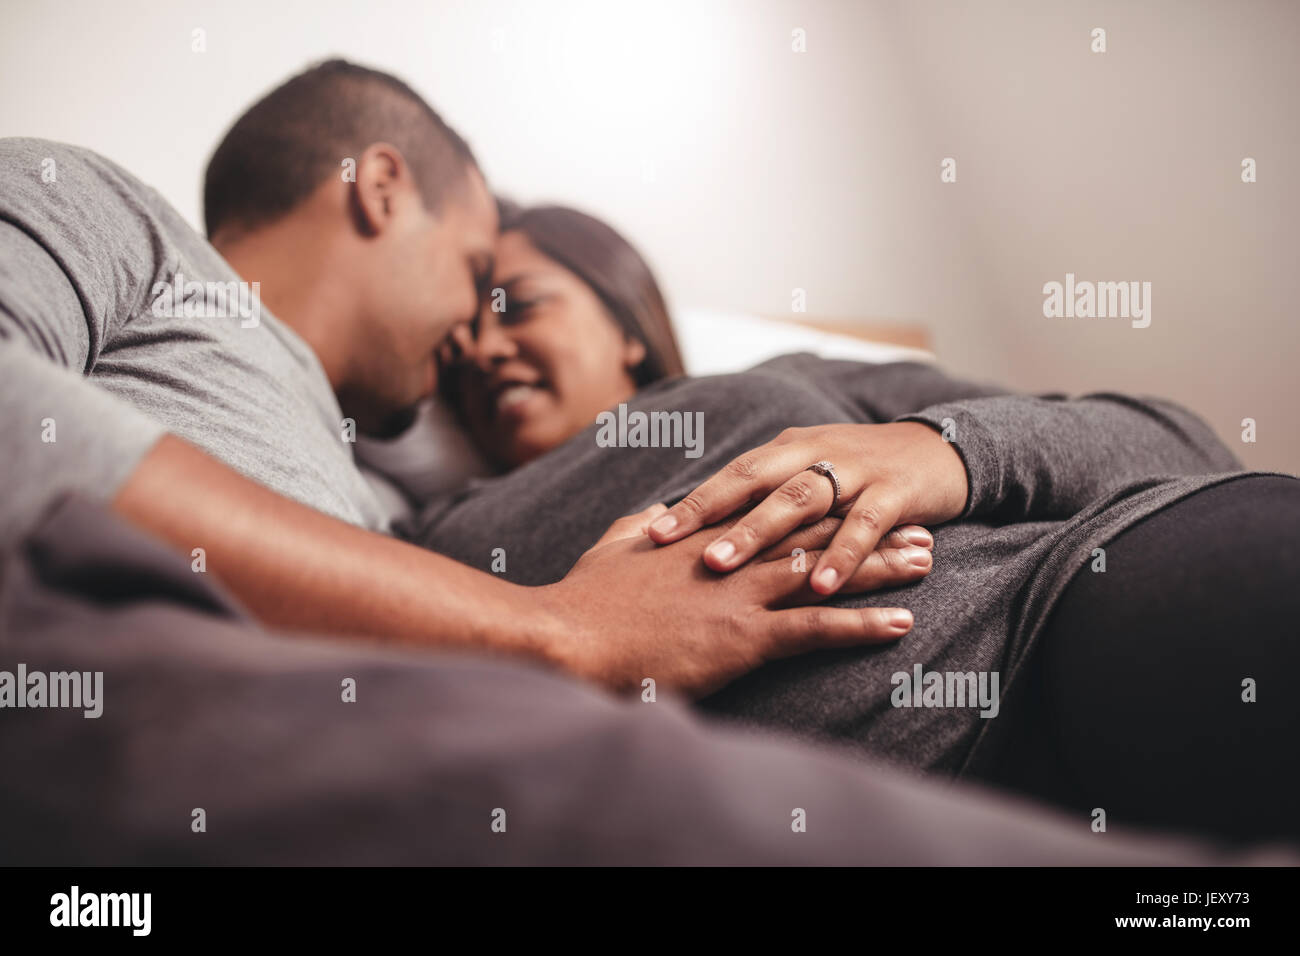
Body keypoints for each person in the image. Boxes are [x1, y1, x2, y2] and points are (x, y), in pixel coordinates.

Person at [0, 60, 928, 700]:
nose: (474, 339)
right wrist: (551, 630)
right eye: (475, 266)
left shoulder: (380, 496)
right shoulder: (110, 214)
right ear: (381, 190)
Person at [418, 201, 1300, 842]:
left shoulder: (790, 377)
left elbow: (1185, 443)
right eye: (456, 357)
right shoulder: (436, 535)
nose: (487, 352)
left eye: (519, 306)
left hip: (1067, 601)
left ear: (626, 324)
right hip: (889, 811)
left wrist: (942, 450)